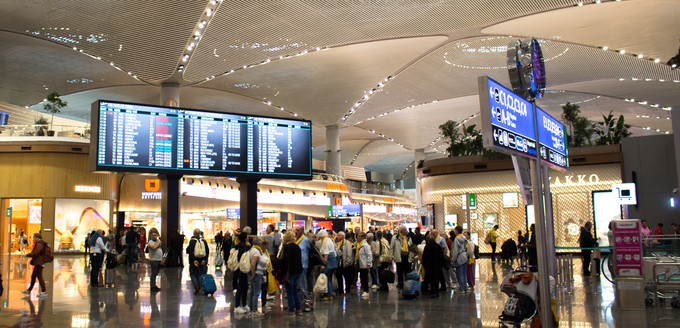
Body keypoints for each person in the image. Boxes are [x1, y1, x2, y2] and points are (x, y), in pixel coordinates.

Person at [280, 231, 303, 316]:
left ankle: (291, 309)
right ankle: (298, 308)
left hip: (290, 272)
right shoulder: (297, 247)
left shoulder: (287, 247)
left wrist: (285, 273)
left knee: (289, 291)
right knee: (294, 290)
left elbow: (286, 261)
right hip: (298, 271)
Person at [23, 233, 49, 298]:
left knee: (40, 277)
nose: (33, 239)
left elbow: (36, 253)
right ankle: (29, 290)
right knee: (33, 276)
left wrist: (28, 255)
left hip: (39, 262)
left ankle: (44, 292)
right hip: (38, 262)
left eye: (34, 237)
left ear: (37, 238)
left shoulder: (39, 244)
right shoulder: (41, 243)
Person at [247, 237, 266, 317]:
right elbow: (253, 263)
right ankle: (254, 311)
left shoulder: (251, 250)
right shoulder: (257, 252)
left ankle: (251, 309)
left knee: (252, 292)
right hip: (257, 273)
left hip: (254, 273)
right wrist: (253, 273)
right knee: (256, 292)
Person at [186, 228, 209, 295]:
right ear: (200, 234)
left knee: (192, 274)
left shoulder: (192, 241)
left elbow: (190, 251)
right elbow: (207, 251)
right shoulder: (204, 241)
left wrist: (194, 260)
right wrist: (205, 260)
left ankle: (196, 286)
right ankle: (200, 286)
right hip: (202, 260)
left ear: (193, 234)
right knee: (201, 274)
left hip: (194, 261)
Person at [233, 228, 251, 313]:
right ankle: (237, 306)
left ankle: (244, 304)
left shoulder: (238, 245)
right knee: (241, 288)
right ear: (245, 238)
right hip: (243, 269)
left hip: (239, 268)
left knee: (244, 287)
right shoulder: (245, 246)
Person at [317, 229, 338, 301]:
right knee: (329, 277)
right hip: (333, 261)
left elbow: (326, 253)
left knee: (327, 278)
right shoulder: (329, 240)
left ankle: (329, 295)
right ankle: (331, 292)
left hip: (329, 262)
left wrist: (323, 264)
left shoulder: (325, 241)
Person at [390, 226, 413, 290]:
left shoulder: (408, 238)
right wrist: (391, 256)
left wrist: (412, 256)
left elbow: (411, 247)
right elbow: (391, 247)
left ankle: (407, 285)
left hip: (407, 257)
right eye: (405, 230)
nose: (406, 231)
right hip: (399, 257)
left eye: (406, 230)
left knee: (407, 273)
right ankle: (401, 285)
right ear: (401, 231)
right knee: (400, 272)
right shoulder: (395, 238)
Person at [293, 225, 311, 301]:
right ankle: (298, 297)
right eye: (296, 230)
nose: (296, 232)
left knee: (302, 282)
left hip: (303, 264)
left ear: (302, 231)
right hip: (296, 264)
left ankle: (304, 296)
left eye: (298, 230)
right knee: (297, 282)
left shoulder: (305, 240)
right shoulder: (295, 240)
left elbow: (312, 250)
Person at [451, 226, 468, 292]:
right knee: (464, 272)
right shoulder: (464, 237)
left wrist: (453, 259)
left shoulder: (457, 239)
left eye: (455, 230)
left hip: (459, 256)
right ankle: (465, 286)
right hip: (465, 255)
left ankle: (461, 288)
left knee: (459, 273)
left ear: (457, 231)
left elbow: (455, 250)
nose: (454, 232)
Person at [356, 232, 372, 298]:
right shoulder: (359, 244)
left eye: (359, 236)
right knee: (362, 277)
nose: (358, 238)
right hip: (360, 264)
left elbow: (369, 255)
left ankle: (366, 290)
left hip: (364, 264)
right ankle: (364, 290)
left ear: (363, 237)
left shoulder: (365, 245)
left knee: (365, 278)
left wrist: (368, 263)